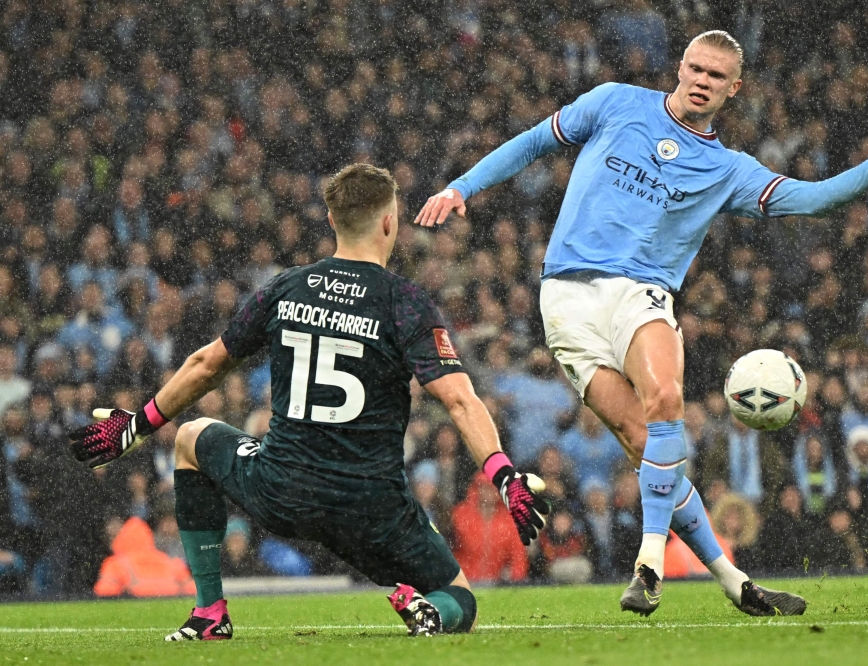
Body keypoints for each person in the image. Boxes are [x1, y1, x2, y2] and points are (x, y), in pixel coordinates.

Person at [417, 29, 868, 616]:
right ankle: (735, 582)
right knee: (642, 441)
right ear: (680, 67)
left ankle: (648, 563)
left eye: (716, 77)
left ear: (735, 89)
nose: (702, 81)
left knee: (666, 398)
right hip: (567, 299)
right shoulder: (614, 102)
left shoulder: (729, 169)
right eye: (696, 69)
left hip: (641, 293)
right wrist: (461, 186)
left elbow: (814, 199)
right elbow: (532, 143)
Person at [68, 165, 548, 640]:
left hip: (284, 490)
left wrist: (139, 425)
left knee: (191, 438)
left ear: (332, 219)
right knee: (460, 599)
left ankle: (210, 612)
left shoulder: (287, 287)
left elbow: (206, 364)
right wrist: (504, 476)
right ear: (389, 221)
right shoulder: (404, 301)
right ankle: (430, 612)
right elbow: (460, 400)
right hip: (370, 507)